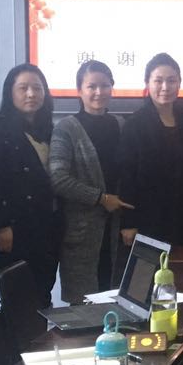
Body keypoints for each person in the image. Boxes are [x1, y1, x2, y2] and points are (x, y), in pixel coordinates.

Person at [50, 60, 133, 304]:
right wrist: (100, 199)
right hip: (82, 234)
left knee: (118, 303)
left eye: (105, 86)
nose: (99, 92)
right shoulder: (66, 128)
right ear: (79, 90)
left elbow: (129, 172)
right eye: (91, 86)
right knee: (85, 306)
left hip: (117, 231)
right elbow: (58, 178)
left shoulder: (121, 124)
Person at [0, 64, 60, 296]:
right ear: (10, 92)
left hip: (46, 227)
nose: (31, 94)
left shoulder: (50, 131)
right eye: (23, 88)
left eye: (37, 88)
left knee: (42, 295)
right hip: (13, 229)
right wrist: (1, 225)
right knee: (17, 300)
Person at [118, 53, 183, 248]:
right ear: (147, 83)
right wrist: (128, 222)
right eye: (158, 80)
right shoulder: (135, 124)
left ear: (179, 83)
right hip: (148, 218)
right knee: (150, 268)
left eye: (171, 80)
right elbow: (126, 175)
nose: (165, 87)